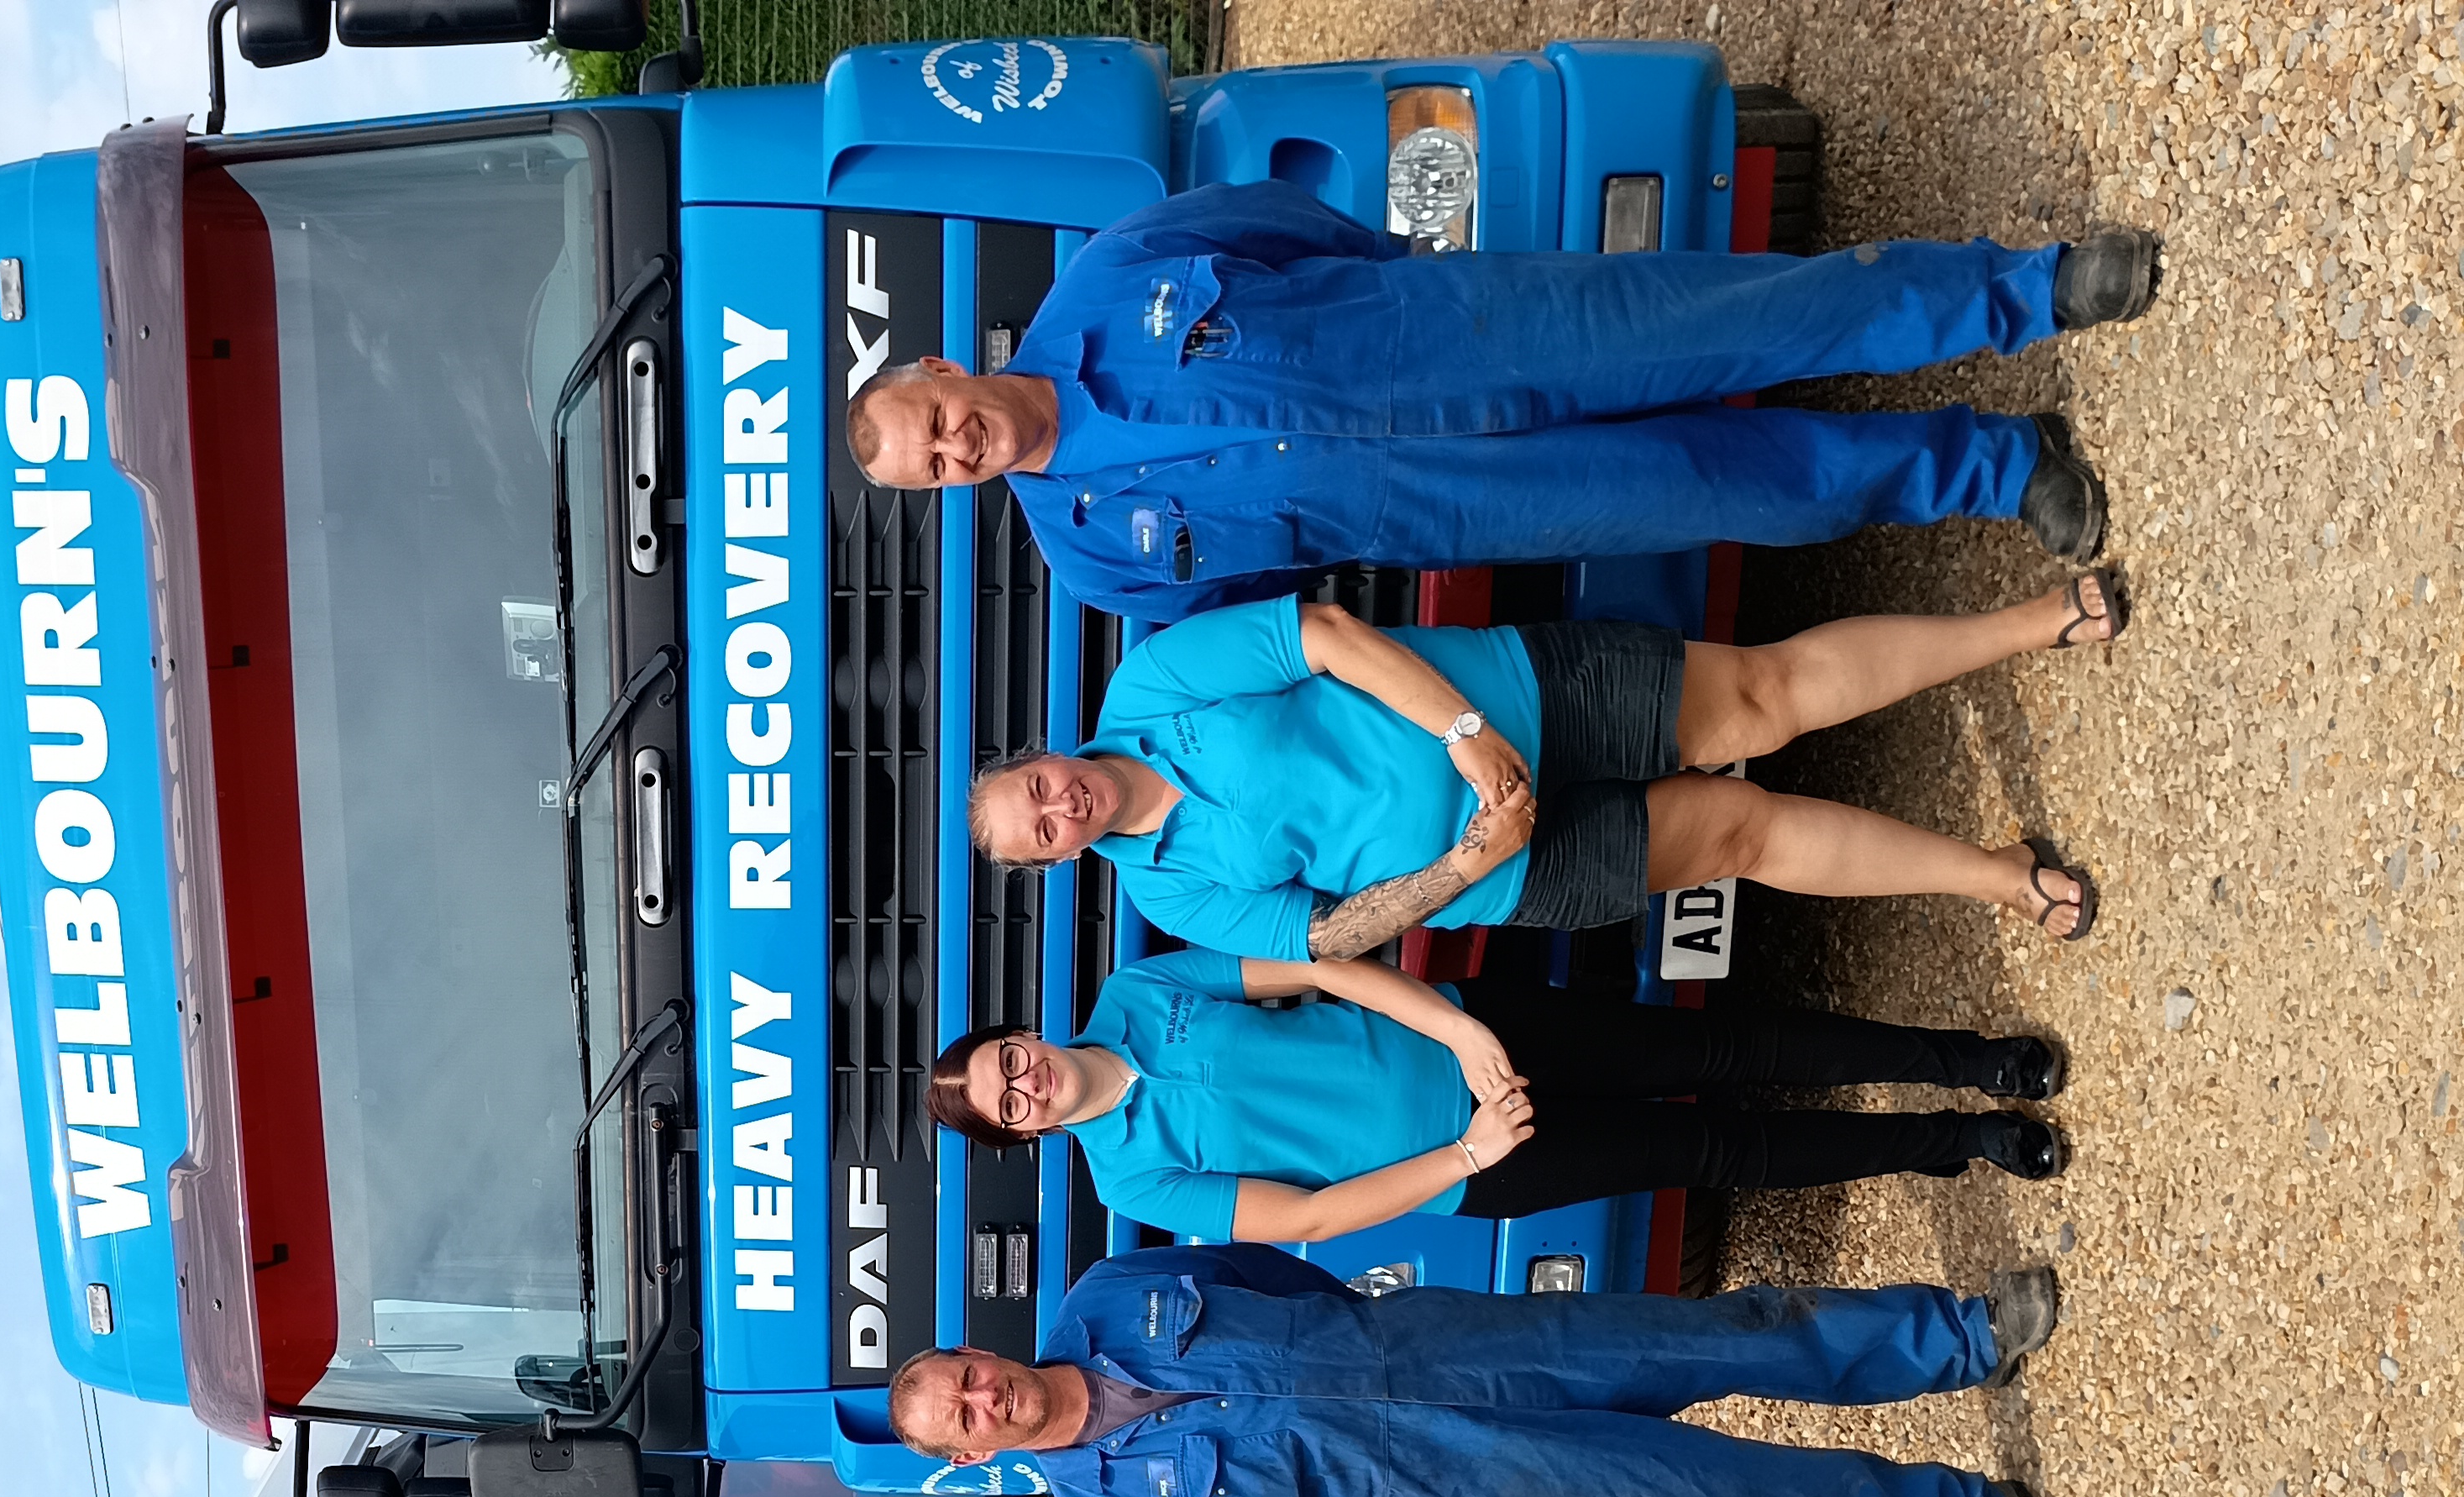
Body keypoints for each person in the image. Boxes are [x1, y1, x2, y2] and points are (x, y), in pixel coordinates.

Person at [846, 181, 2159, 614]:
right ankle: (1997, 466)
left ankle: (2034, 290)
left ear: (947, 371)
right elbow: (1266, 597)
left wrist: (1423, 299)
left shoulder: (1115, 267)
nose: (958, 447)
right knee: (1739, 490)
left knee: (1752, 321)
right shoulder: (1090, 562)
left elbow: (1297, 229)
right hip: (1457, 505)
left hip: (1471, 332)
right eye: (938, 471)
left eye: (936, 422)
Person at [886, 1245, 2079, 1497]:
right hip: (1469, 1491)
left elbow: (1260, 1272)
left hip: (1464, 1345)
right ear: (975, 1460)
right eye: (965, 1422)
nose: (984, 1399)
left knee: (1729, 1334)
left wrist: (1360, 1335)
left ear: (977, 1352)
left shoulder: (1105, 1295)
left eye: (967, 1377)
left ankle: (1965, 1335)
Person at [968, 576, 2121, 959]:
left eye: (1034, 792)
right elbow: (1327, 937)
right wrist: (1470, 860)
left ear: (1042, 761)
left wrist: (1471, 743)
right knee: (1745, 835)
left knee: (1761, 704)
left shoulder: (1150, 689)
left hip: (1517, 698)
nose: (1057, 810)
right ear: (1060, 861)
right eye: (1043, 836)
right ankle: (1994, 877)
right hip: (1518, 870)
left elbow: (1325, 636)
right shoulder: (1167, 891)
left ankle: (2023, 625)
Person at [931, 949, 2069, 1245]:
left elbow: (1322, 967)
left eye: (1008, 1061)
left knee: (1720, 1050)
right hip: (1480, 1163)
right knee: (1718, 1153)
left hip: (1484, 1034)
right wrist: (1471, 1155)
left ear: (1022, 1033)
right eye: (1009, 1106)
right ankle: (1956, 1139)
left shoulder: (1139, 991)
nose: (1024, 1083)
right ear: (1023, 1137)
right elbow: (1314, 1216)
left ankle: (1967, 1060)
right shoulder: (1131, 1175)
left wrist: (1465, 1029)